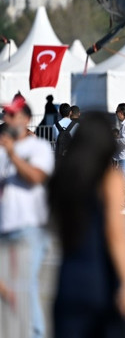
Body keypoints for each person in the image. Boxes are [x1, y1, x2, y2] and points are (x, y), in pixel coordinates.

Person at [47, 112, 125, 336]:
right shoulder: (109, 179)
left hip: (69, 276)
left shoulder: (63, 178)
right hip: (100, 275)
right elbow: (115, 234)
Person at [0, 95, 54, 338]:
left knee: (24, 285)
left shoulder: (37, 147)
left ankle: (34, 333)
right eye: (5, 114)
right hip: (6, 228)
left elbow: (36, 177)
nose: (6, 118)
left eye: (12, 114)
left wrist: (12, 155)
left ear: (26, 119)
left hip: (30, 228)